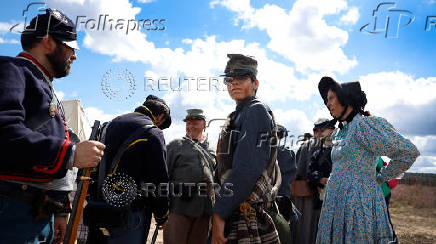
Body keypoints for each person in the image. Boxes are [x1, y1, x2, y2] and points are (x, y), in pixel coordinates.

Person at [0, 9, 105, 243]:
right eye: (70, 47)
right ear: (48, 41)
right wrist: (72, 153)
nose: (74, 56)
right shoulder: (11, 70)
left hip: (36, 210)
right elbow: (5, 134)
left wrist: (58, 209)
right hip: (10, 211)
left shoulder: (43, 83)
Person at [316, 76, 420, 243]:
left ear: (346, 99)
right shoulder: (339, 131)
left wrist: (381, 177)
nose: (328, 104)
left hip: (358, 202)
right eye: (326, 100)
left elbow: (408, 152)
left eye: (331, 98)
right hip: (335, 201)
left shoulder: (365, 126)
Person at [212, 54, 281, 244]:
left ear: (255, 83)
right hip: (234, 208)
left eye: (241, 78)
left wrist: (219, 214)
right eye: (229, 80)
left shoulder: (255, 111)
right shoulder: (239, 114)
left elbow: (246, 170)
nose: (234, 83)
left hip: (245, 212)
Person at [85, 95, 171, 244]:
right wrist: (162, 215)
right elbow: (158, 180)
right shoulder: (153, 132)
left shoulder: (108, 125)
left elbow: (90, 165)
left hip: (97, 208)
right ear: (160, 117)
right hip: (128, 214)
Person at [164, 109, 216, 244]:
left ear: (204, 124)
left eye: (195, 123)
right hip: (180, 207)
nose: (191, 126)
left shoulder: (210, 148)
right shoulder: (175, 145)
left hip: (204, 209)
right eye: (188, 123)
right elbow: (164, 175)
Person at [290, 118, 334, 244]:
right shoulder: (334, 146)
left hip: (307, 197)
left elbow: (298, 170)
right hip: (321, 194)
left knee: (304, 229)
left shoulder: (306, 145)